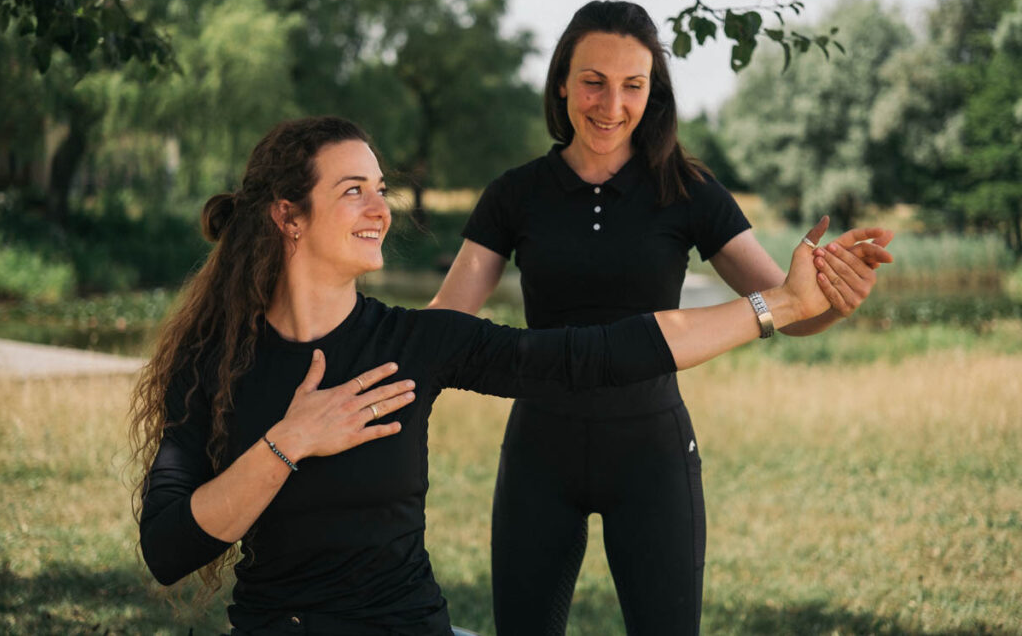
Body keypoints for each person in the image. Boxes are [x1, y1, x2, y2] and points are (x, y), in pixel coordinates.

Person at [130, 115, 890, 636]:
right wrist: (289, 441)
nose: (380, 208)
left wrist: (781, 303)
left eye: (382, 188)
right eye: (353, 190)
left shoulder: (413, 343)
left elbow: (596, 353)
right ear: (288, 217)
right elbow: (168, 546)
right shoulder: (215, 362)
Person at [428, 0, 893, 635]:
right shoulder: (516, 194)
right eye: (593, 81)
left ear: (654, 93)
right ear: (562, 81)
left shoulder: (687, 190)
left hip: (651, 457)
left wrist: (832, 300)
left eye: (633, 86)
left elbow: (790, 309)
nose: (611, 105)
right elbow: (445, 325)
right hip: (539, 452)